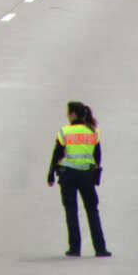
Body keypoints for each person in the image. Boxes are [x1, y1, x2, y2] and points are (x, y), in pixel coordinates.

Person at [46, 101, 110, 259]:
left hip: (68, 176)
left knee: (71, 211)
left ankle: (74, 248)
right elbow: (98, 156)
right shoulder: (92, 132)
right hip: (86, 176)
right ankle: (100, 248)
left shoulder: (65, 132)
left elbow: (57, 154)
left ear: (73, 114)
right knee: (92, 210)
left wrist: (51, 173)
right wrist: (93, 171)